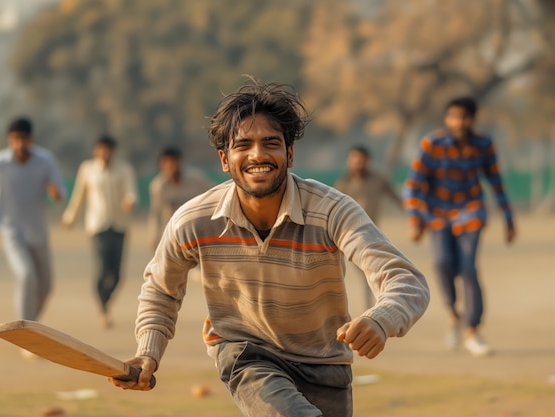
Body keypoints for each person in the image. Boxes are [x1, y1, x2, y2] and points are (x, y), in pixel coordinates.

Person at [109, 79, 429, 417]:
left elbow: (405, 279)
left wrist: (381, 319)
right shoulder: (194, 220)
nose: (257, 155)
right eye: (243, 145)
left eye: (270, 143)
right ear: (224, 159)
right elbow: (161, 290)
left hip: (325, 362)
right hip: (246, 352)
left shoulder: (332, 210)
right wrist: (148, 352)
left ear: (289, 154)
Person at [403, 96, 516, 357]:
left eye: (464, 117)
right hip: (438, 214)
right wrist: (415, 220)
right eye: (453, 116)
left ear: (472, 120)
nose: (459, 122)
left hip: (470, 212)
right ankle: (453, 313)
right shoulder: (432, 144)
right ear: (447, 119)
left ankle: (472, 331)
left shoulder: (483, 144)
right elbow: (413, 185)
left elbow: (496, 181)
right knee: (443, 263)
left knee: (468, 267)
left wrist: (509, 218)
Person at [0, 116, 65, 328]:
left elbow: (60, 189)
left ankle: (31, 325)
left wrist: (56, 193)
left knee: (45, 287)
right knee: (25, 275)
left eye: (23, 139)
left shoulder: (45, 160)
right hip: (10, 229)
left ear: (31, 139)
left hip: (38, 231)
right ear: (9, 140)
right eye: (15, 139)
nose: (19, 144)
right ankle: (26, 333)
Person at [61, 135, 137, 329]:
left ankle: (107, 301)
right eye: (101, 149)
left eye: (108, 149)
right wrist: (70, 216)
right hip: (98, 226)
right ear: (96, 151)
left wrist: (130, 200)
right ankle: (103, 308)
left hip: (119, 225)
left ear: (113, 151)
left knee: (117, 274)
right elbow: (79, 195)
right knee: (103, 269)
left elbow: (131, 191)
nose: (105, 153)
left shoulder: (124, 169)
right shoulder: (87, 169)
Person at [334, 145, 403, 309]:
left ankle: (374, 309)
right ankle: (373, 309)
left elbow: (397, 199)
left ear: (367, 161)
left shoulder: (378, 181)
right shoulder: (342, 185)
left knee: (372, 272)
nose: (357, 163)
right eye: (354, 159)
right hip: (349, 237)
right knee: (367, 272)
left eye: (360, 159)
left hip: (372, 235)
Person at [148, 146, 212, 249]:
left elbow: (214, 196)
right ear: (161, 164)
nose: (170, 166)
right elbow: (156, 213)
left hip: (198, 231)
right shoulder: (158, 186)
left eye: (173, 162)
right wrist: (154, 236)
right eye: (166, 163)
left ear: (180, 162)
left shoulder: (197, 179)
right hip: (174, 233)